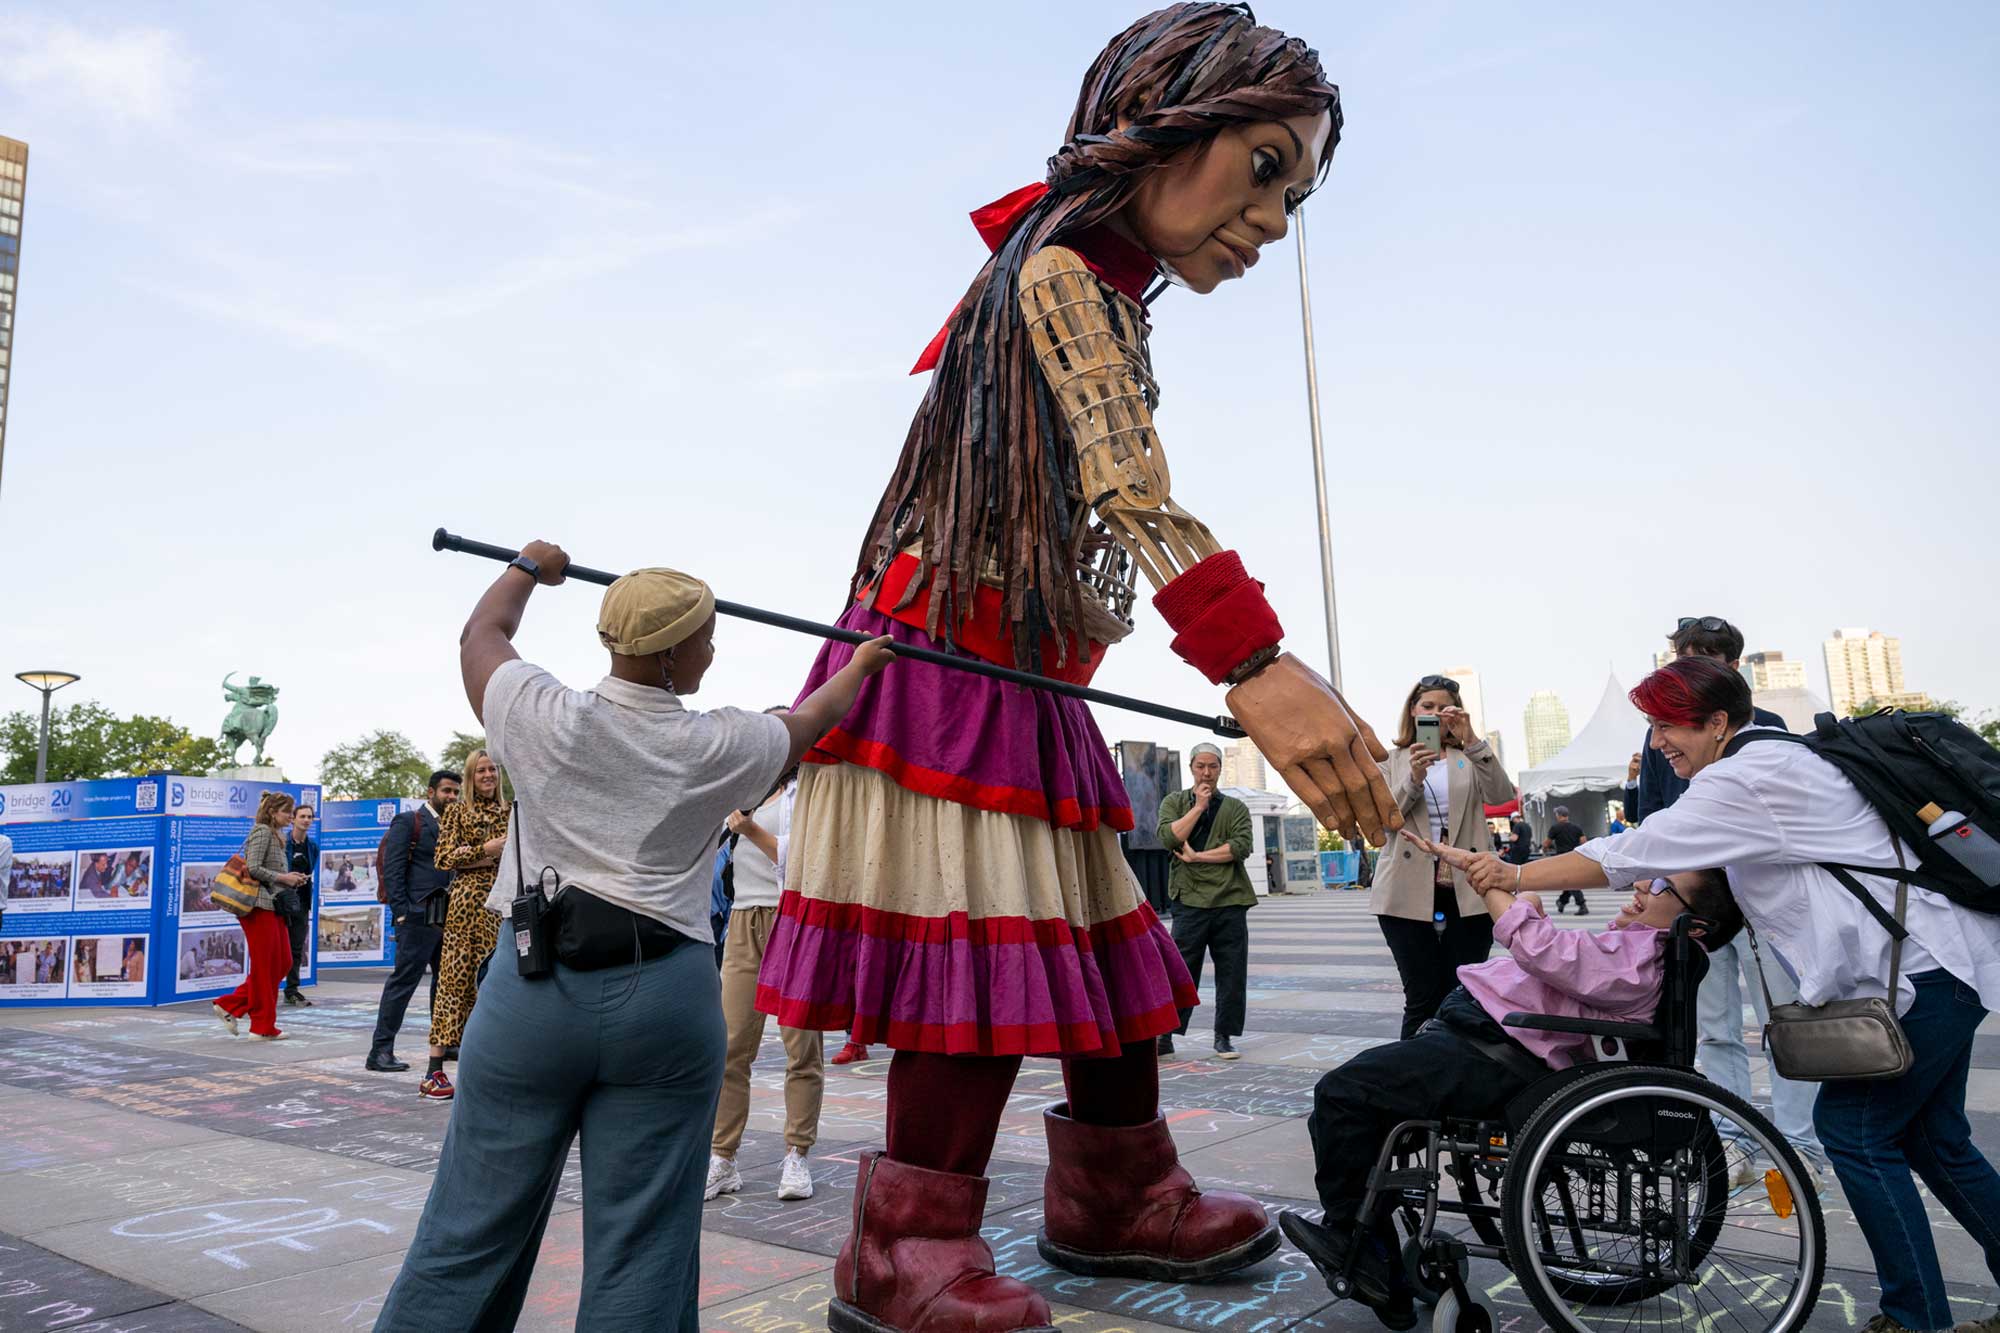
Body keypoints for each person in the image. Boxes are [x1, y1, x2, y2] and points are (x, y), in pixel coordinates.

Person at [752, 13, 1398, 1329]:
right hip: (948, 666)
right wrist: (1258, 669)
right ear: (1164, 126)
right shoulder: (1058, 276)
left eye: (1295, 191)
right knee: (978, 945)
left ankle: (1114, 1193)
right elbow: (1127, 486)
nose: (1273, 219)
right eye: (1265, 166)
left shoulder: (1081, 280)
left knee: (1102, 943)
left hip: (1022, 667)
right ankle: (903, 1242)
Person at [374, 541, 895, 1332]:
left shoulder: (533, 710)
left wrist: (526, 568)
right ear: (671, 653)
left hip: (533, 994)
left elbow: (482, 632)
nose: (713, 649)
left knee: (468, 1226)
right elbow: (814, 718)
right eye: (705, 636)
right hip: (665, 999)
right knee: (644, 1247)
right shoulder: (724, 742)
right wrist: (861, 665)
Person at [1465, 656, 2000, 1333]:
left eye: (1669, 724)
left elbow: (1635, 849)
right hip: (1944, 961)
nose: (1658, 741)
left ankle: (1914, 1316)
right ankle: (1920, 1309)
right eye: (1653, 724)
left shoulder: (1748, 775)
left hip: (1927, 969)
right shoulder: (1779, 755)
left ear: (1718, 722)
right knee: (1936, 1138)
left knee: (1855, 1131)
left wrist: (1514, 873)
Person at [1283, 863, 1745, 1328]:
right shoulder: (1647, 951)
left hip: (1493, 1052)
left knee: (1343, 1094)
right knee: (1373, 1115)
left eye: (1662, 885)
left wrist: (1511, 897)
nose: (1643, 884)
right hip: (1486, 1037)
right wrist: (1532, 910)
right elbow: (1568, 965)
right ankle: (1376, 1256)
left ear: (1697, 924)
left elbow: (1540, 950)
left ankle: (1356, 1243)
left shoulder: (1644, 956)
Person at [1618, 617, 1821, 1177]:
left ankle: (1798, 1143)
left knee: (1785, 1018)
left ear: (1733, 667)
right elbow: (1652, 816)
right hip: (1692, 901)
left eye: (1707, 657)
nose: (1692, 666)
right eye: (1684, 657)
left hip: (1760, 900)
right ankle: (1735, 1134)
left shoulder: (1770, 728)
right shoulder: (1659, 736)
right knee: (1712, 1023)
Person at [1371, 674, 1517, 1038]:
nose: (1436, 714)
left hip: (1468, 886)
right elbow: (1384, 822)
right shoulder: (1391, 761)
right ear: (1413, 711)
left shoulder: (1467, 757)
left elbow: (1501, 795)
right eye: (1428, 707)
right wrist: (1414, 778)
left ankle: (1455, 1070)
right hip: (1405, 890)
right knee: (1420, 994)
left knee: (1463, 991)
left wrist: (1472, 738)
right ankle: (1413, 1079)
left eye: (1445, 708)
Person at [707, 760, 824, 1202]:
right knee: (731, 1046)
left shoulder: (810, 790)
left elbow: (807, 859)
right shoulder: (745, 791)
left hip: (791, 917)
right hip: (742, 920)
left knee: (801, 1045)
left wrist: (750, 829)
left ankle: (797, 1155)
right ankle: (723, 1157)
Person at [1155, 742, 1256, 1059]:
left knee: (1232, 972)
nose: (1207, 772)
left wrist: (1198, 857)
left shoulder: (1236, 808)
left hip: (1230, 899)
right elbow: (1169, 837)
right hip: (1189, 901)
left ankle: (1223, 1036)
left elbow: (1240, 847)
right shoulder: (1174, 802)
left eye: (1213, 766)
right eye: (1201, 766)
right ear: (1191, 768)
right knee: (1182, 971)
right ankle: (1166, 1035)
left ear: (1220, 769)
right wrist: (1198, 807)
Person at [420, 749, 509, 1100]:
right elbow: (443, 858)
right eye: (481, 770)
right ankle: (433, 1072)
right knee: (455, 984)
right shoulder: (457, 812)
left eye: (492, 770)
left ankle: (487, 1068)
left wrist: (483, 856)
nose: (488, 775)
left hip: (502, 905)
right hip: (466, 908)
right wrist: (486, 849)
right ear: (471, 777)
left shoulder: (511, 811)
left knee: (495, 985)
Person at [366, 770, 458, 1073]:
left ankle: (445, 1043)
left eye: (456, 792)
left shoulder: (453, 822)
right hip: (417, 916)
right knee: (404, 982)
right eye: (447, 791)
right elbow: (393, 868)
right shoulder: (410, 821)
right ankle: (380, 1051)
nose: (452, 797)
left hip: (446, 915)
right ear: (430, 792)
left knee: (445, 984)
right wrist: (402, 911)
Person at [212, 791, 308, 1040]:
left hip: (273, 905)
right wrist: (283, 878)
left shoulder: (277, 834)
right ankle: (262, 1027)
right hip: (257, 907)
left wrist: (290, 879)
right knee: (266, 967)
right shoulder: (262, 831)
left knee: (283, 963)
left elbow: (267, 868)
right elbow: (253, 868)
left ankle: (231, 1004)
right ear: (273, 812)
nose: (291, 816)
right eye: (287, 811)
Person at [282, 804, 317, 1006]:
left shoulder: (312, 847)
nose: (306, 820)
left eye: (309, 817)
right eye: (302, 816)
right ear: (293, 818)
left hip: (302, 902)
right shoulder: (283, 842)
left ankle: (292, 989)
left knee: (296, 948)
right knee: (278, 949)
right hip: (282, 901)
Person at [1546, 806, 1589, 913]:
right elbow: (1584, 842)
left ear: (1558, 815)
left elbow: (1546, 843)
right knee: (1568, 881)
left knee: (1570, 881)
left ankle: (1582, 904)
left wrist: (1545, 849)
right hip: (1575, 856)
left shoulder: (1555, 828)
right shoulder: (1577, 827)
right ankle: (1562, 901)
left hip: (1562, 858)